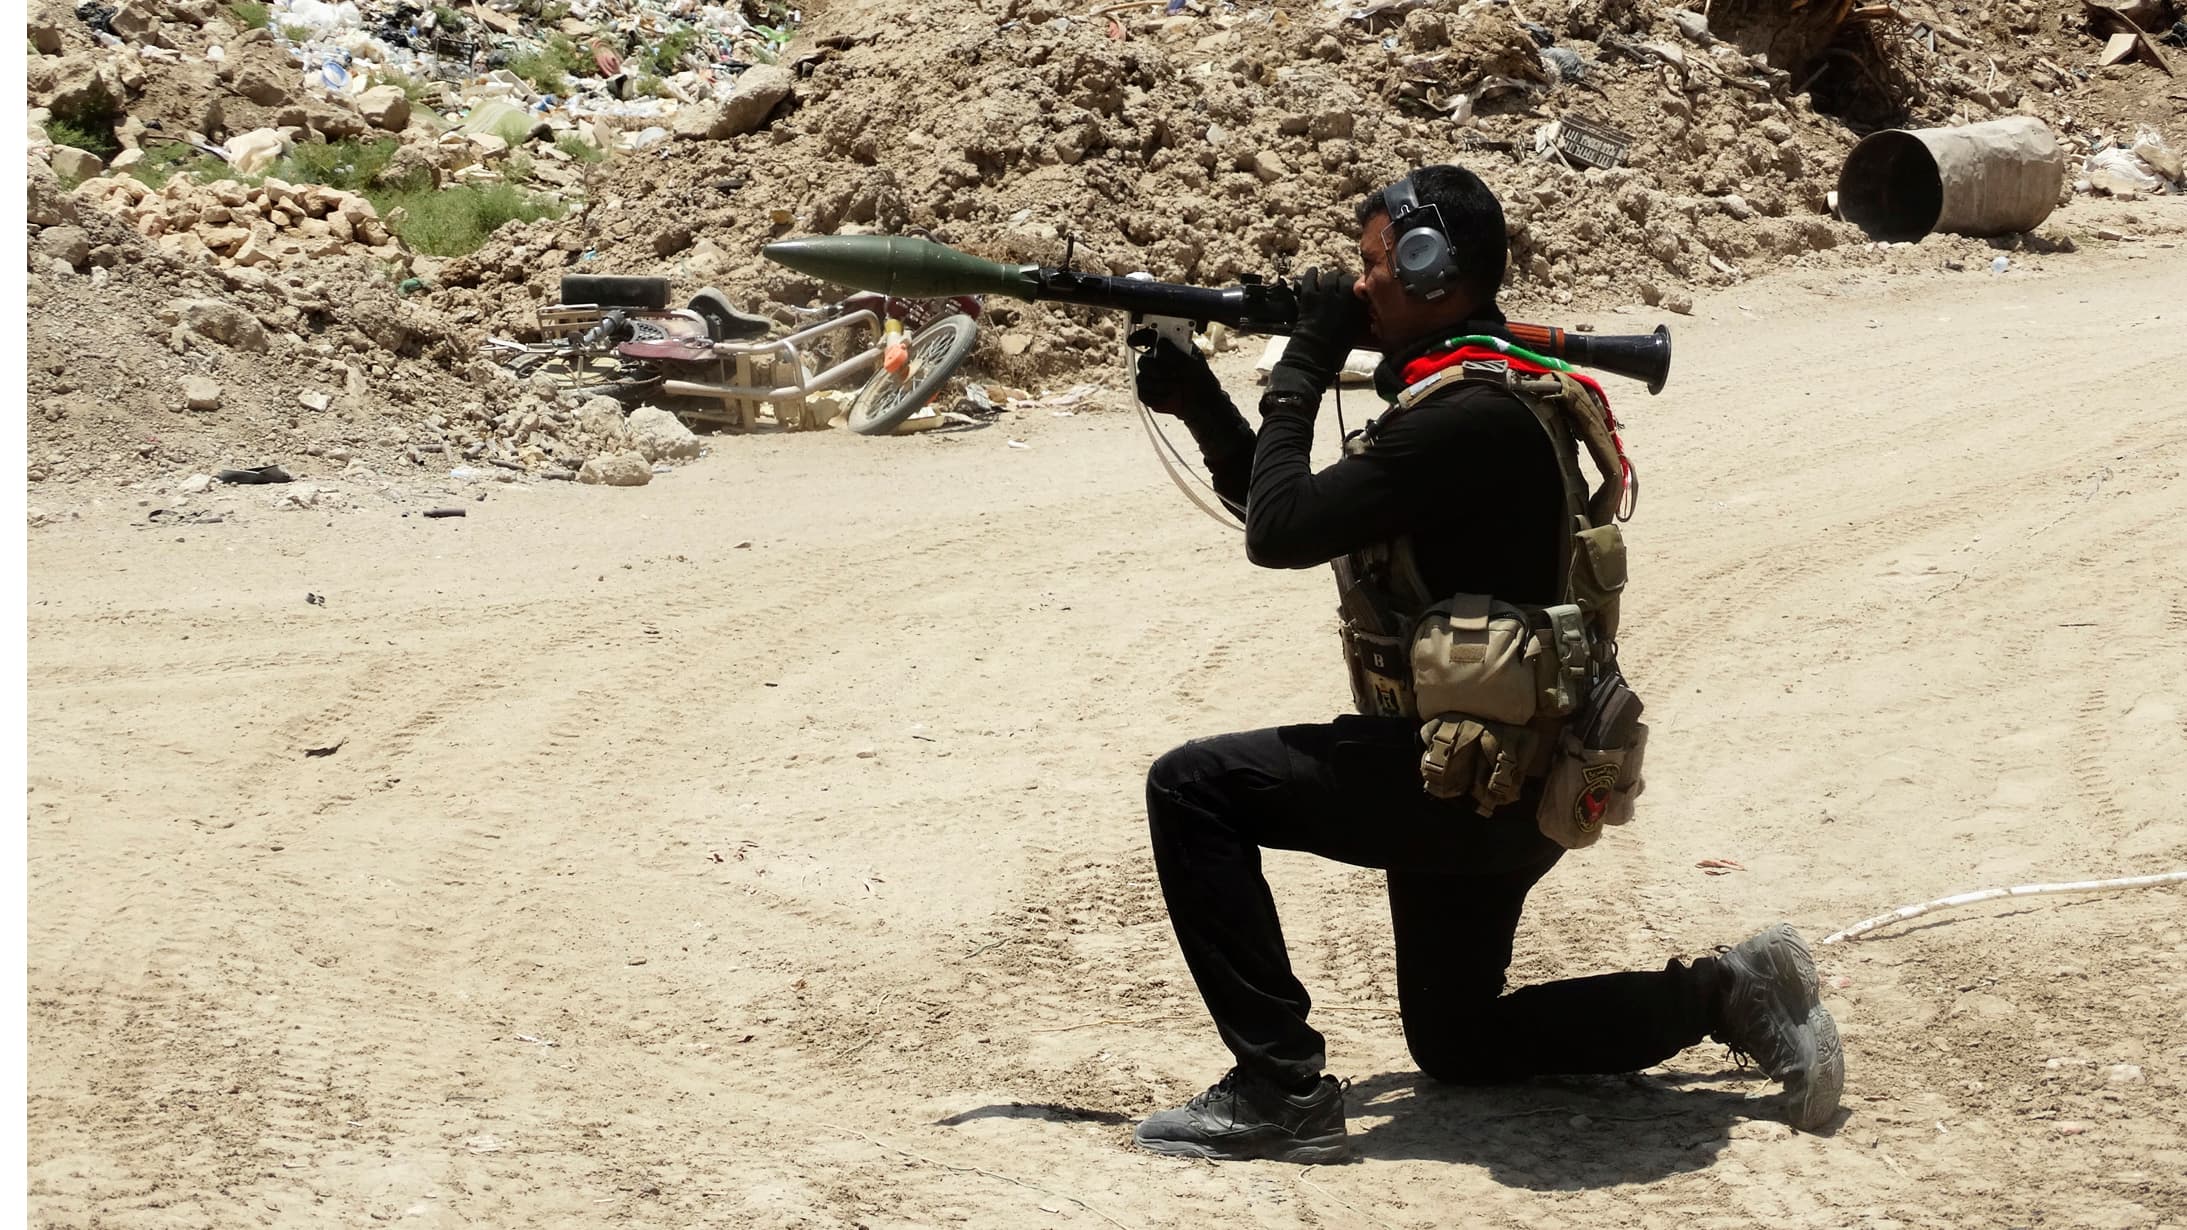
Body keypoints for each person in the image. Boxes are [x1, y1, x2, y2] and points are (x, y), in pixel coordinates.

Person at [1126, 164, 1844, 1164]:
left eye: (1376, 265)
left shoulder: (1470, 418)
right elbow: (1305, 513)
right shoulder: (1476, 395)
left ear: (1433, 269)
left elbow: (1283, 530)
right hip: (1505, 775)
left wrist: (1303, 362)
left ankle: (1277, 1087)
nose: (1362, 283)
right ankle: (1729, 991)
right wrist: (1204, 401)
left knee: (1194, 790)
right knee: (1459, 1039)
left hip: (1469, 784)